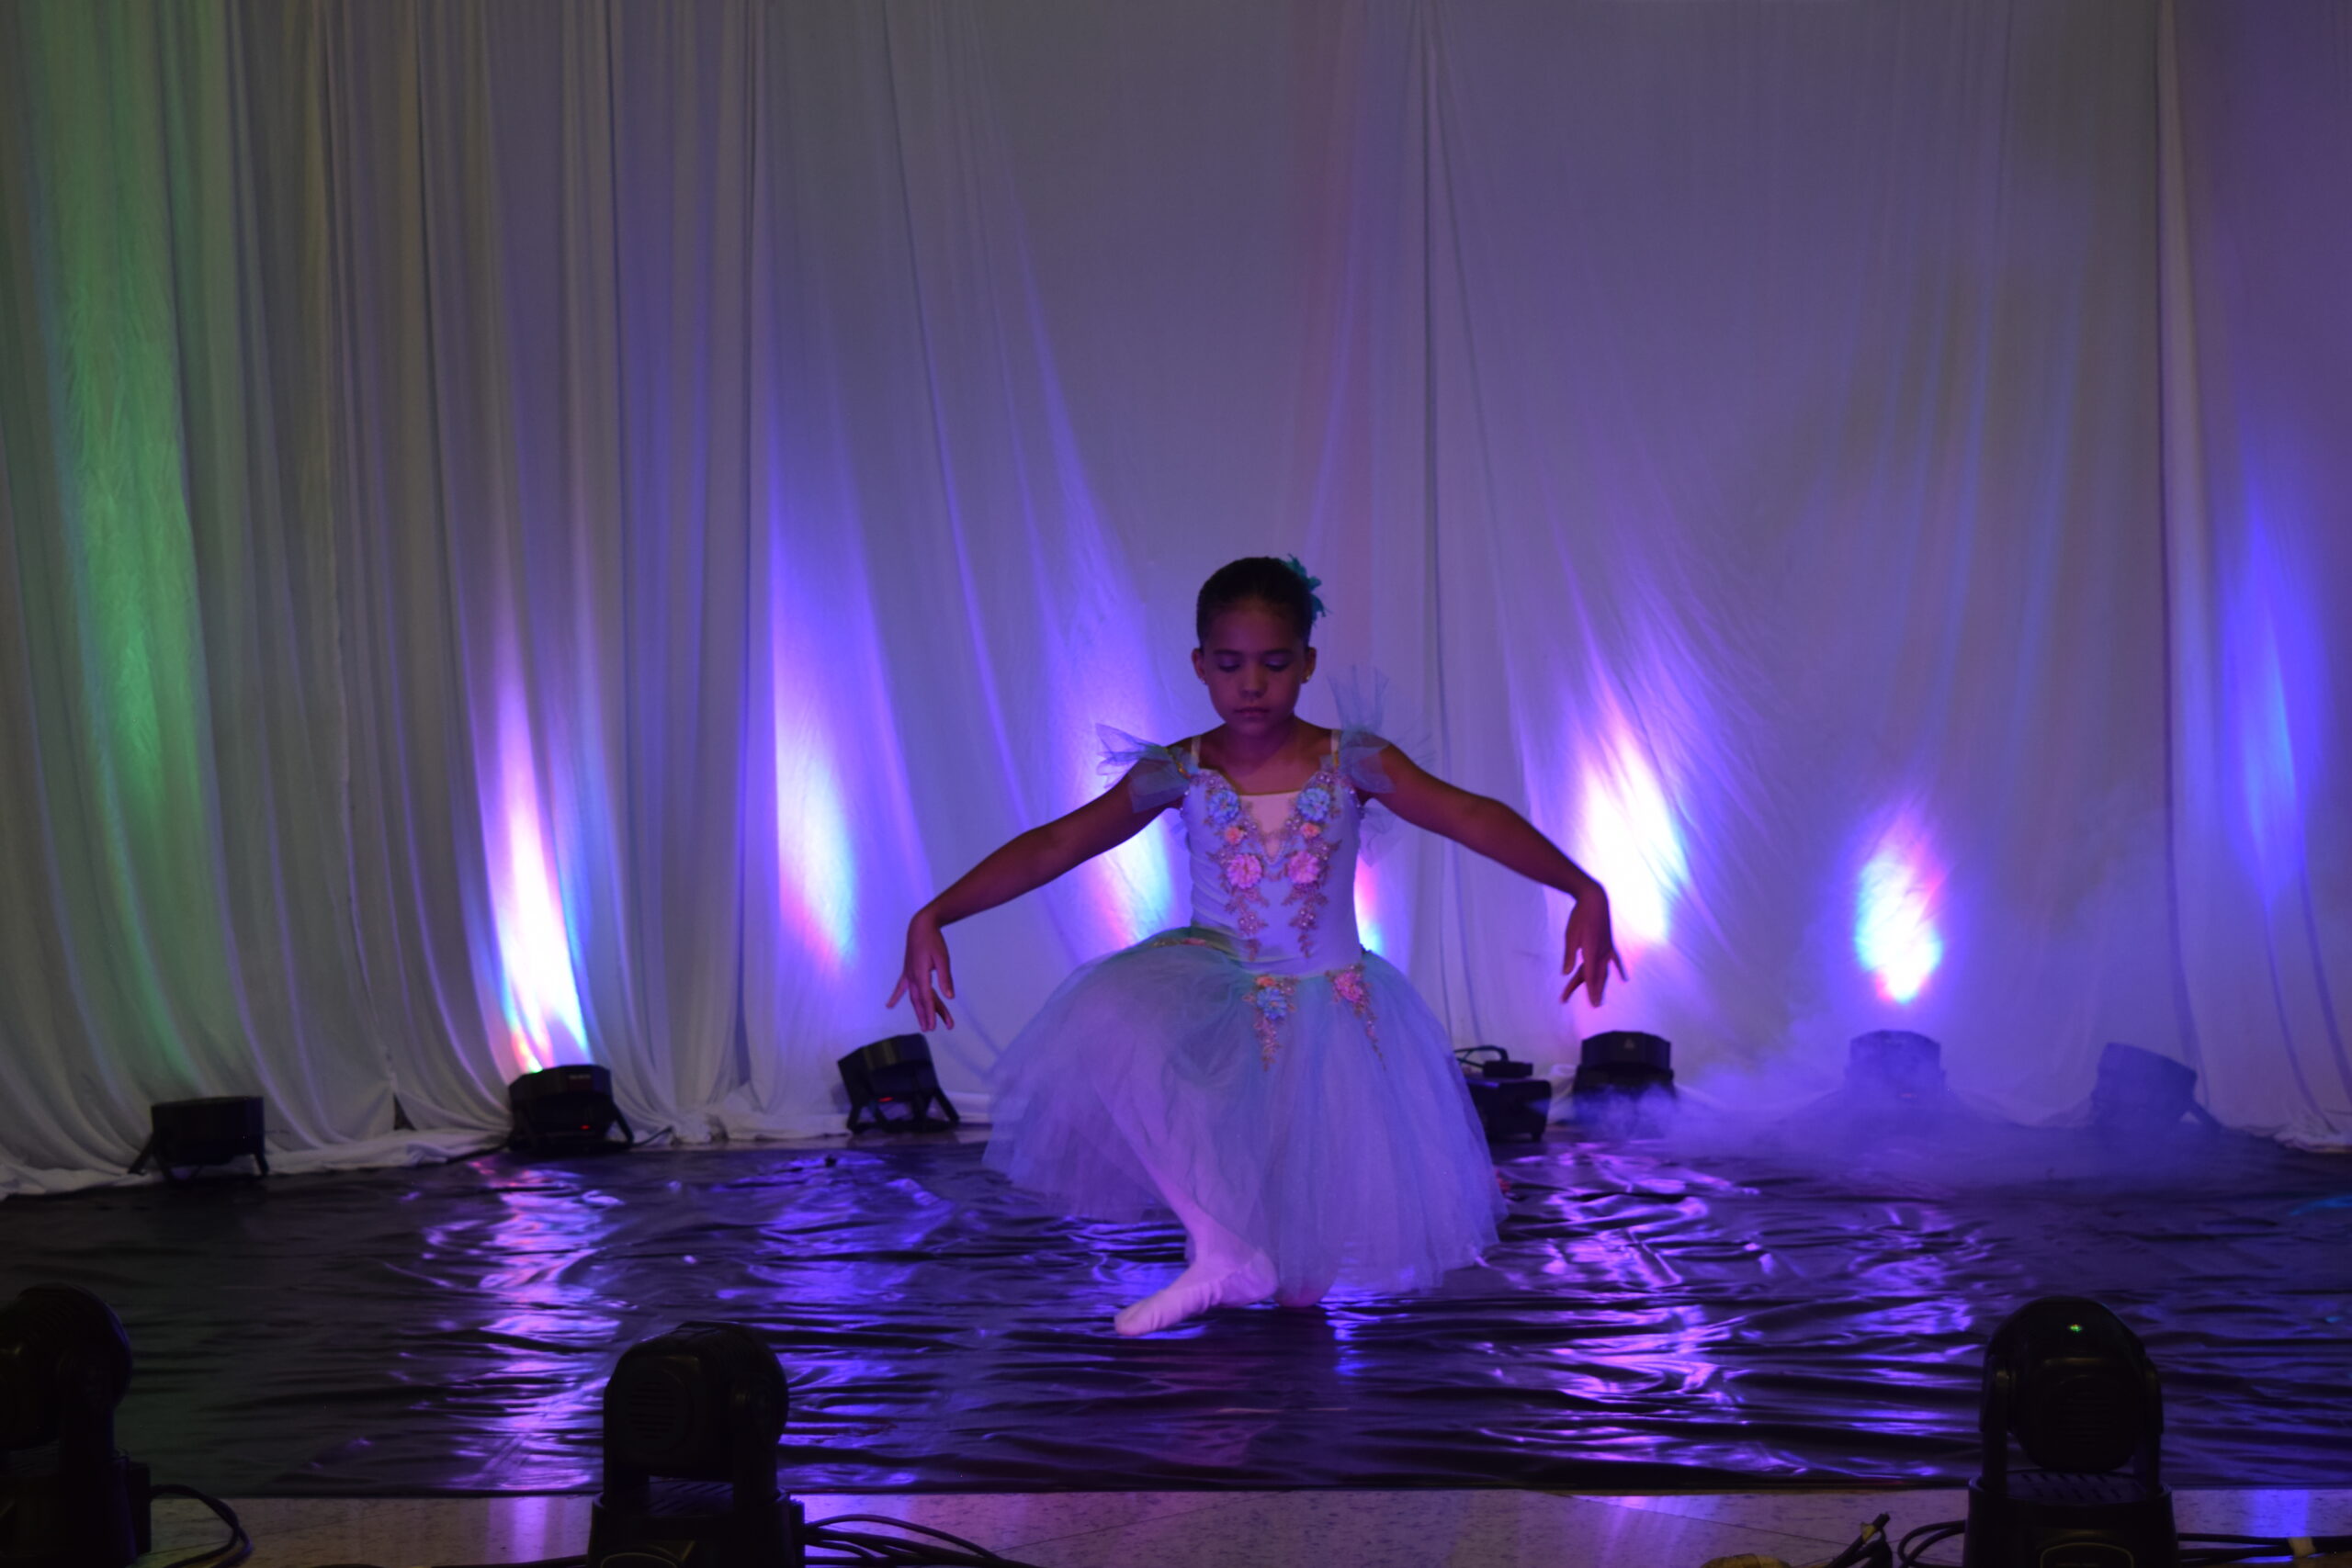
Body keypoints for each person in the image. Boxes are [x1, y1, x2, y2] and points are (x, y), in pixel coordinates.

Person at [889, 556, 1624, 1335]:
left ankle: (1243, 1253)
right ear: (1199, 663)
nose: (1251, 685)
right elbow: (1057, 843)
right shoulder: (1183, 769)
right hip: (1214, 988)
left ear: (1307, 662)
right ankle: (1219, 1246)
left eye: (1274, 664)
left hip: (1328, 1004)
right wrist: (937, 912)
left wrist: (1581, 886)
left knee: (1300, 1291)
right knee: (1107, 1016)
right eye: (1230, 664)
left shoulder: (1351, 760)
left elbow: (1470, 814)